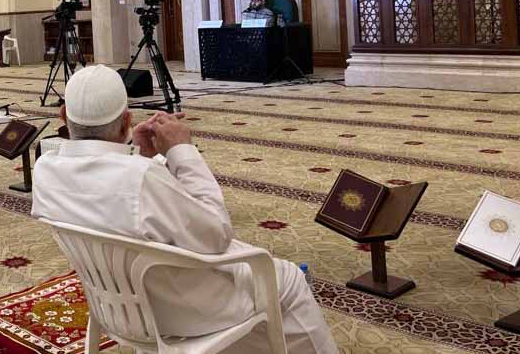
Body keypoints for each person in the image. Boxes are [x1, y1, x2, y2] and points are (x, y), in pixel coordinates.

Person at [31, 65, 338, 354]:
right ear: (126, 120)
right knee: (288, 279)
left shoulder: (45, 170)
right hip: (180, 314)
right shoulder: (140, 178)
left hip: (113, 308)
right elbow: (215, 234)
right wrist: (182, 151)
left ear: (63, 115)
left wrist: (136, 153)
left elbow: (112, 196)